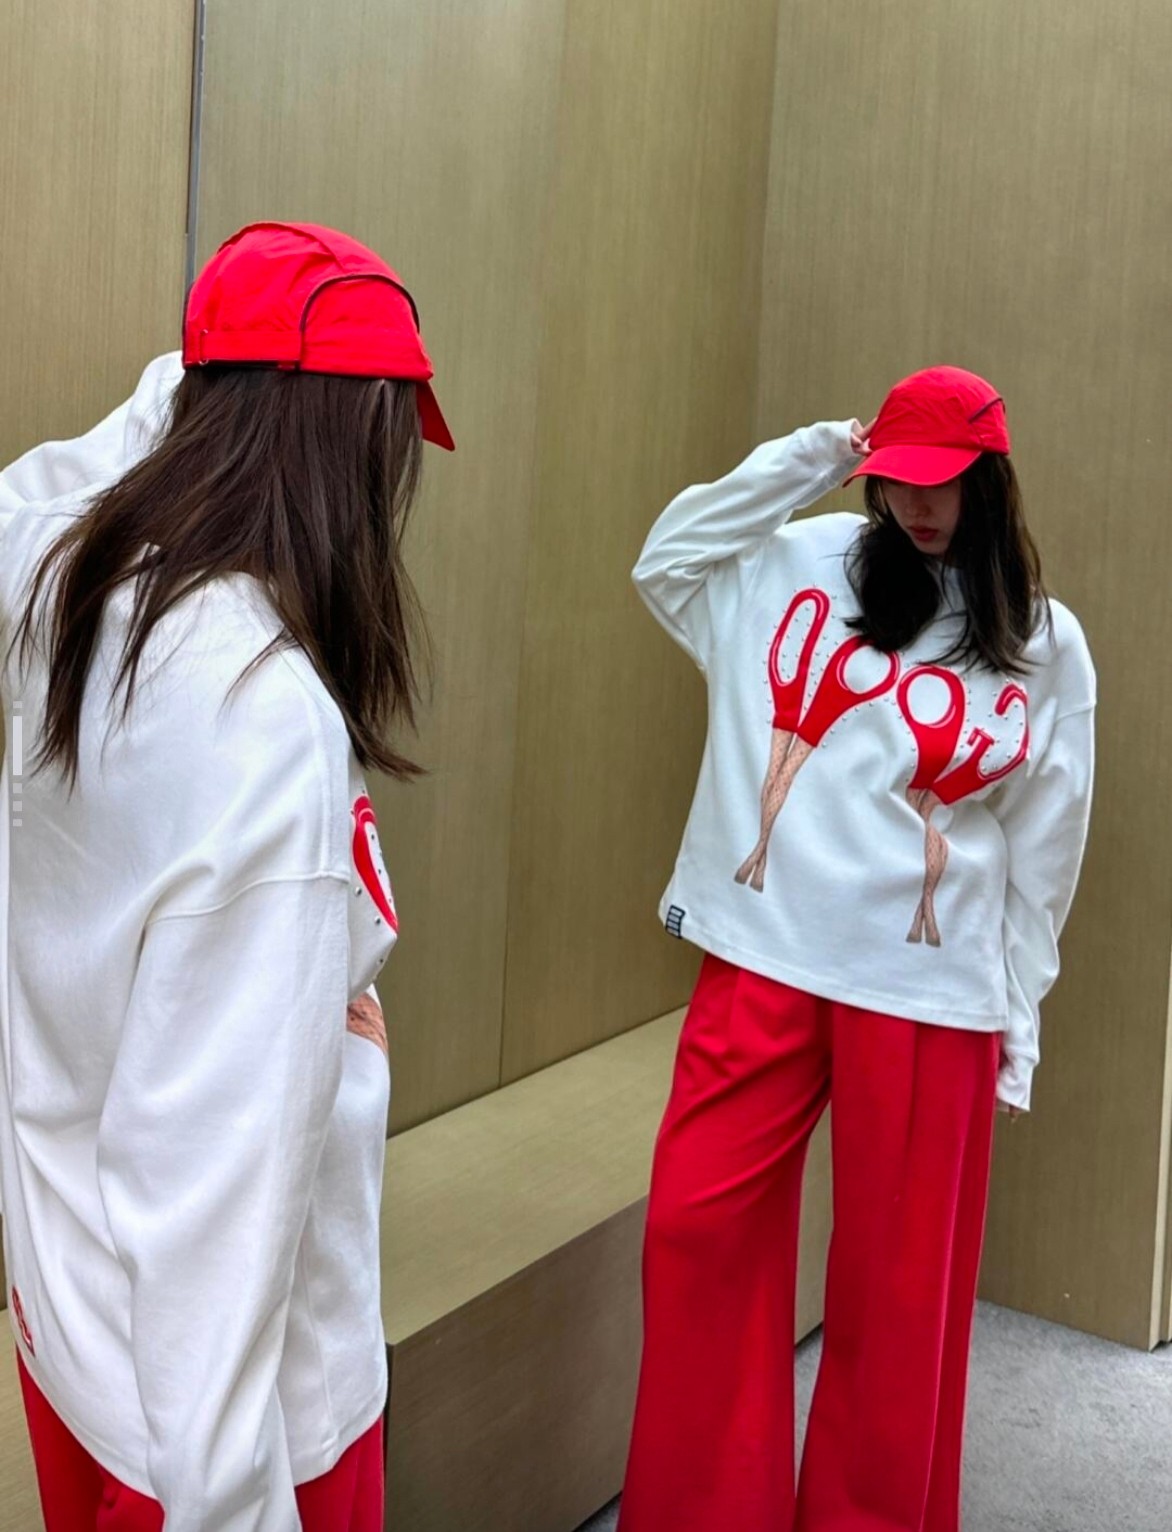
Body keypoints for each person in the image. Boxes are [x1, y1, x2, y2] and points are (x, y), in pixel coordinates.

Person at [0, 221, 453, 1531]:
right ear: (350, 446)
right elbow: (212, 1198)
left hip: (71, 1327)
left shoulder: (62, 586)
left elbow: (35, 485)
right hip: (231, 1432)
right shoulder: (265, 718)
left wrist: (212, 368)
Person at [618, 366, 1095, 1532]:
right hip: (761, 955)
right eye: (897, 480)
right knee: (694, 1233)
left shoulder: (1042, 642)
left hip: (926, 991)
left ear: (989, 481)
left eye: (944, 482)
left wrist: (1016, 1017)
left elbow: (1044, 850)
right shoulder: (796, 562)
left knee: (898, 1297)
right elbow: (665, 559)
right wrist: (820, 453)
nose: (918, 505)